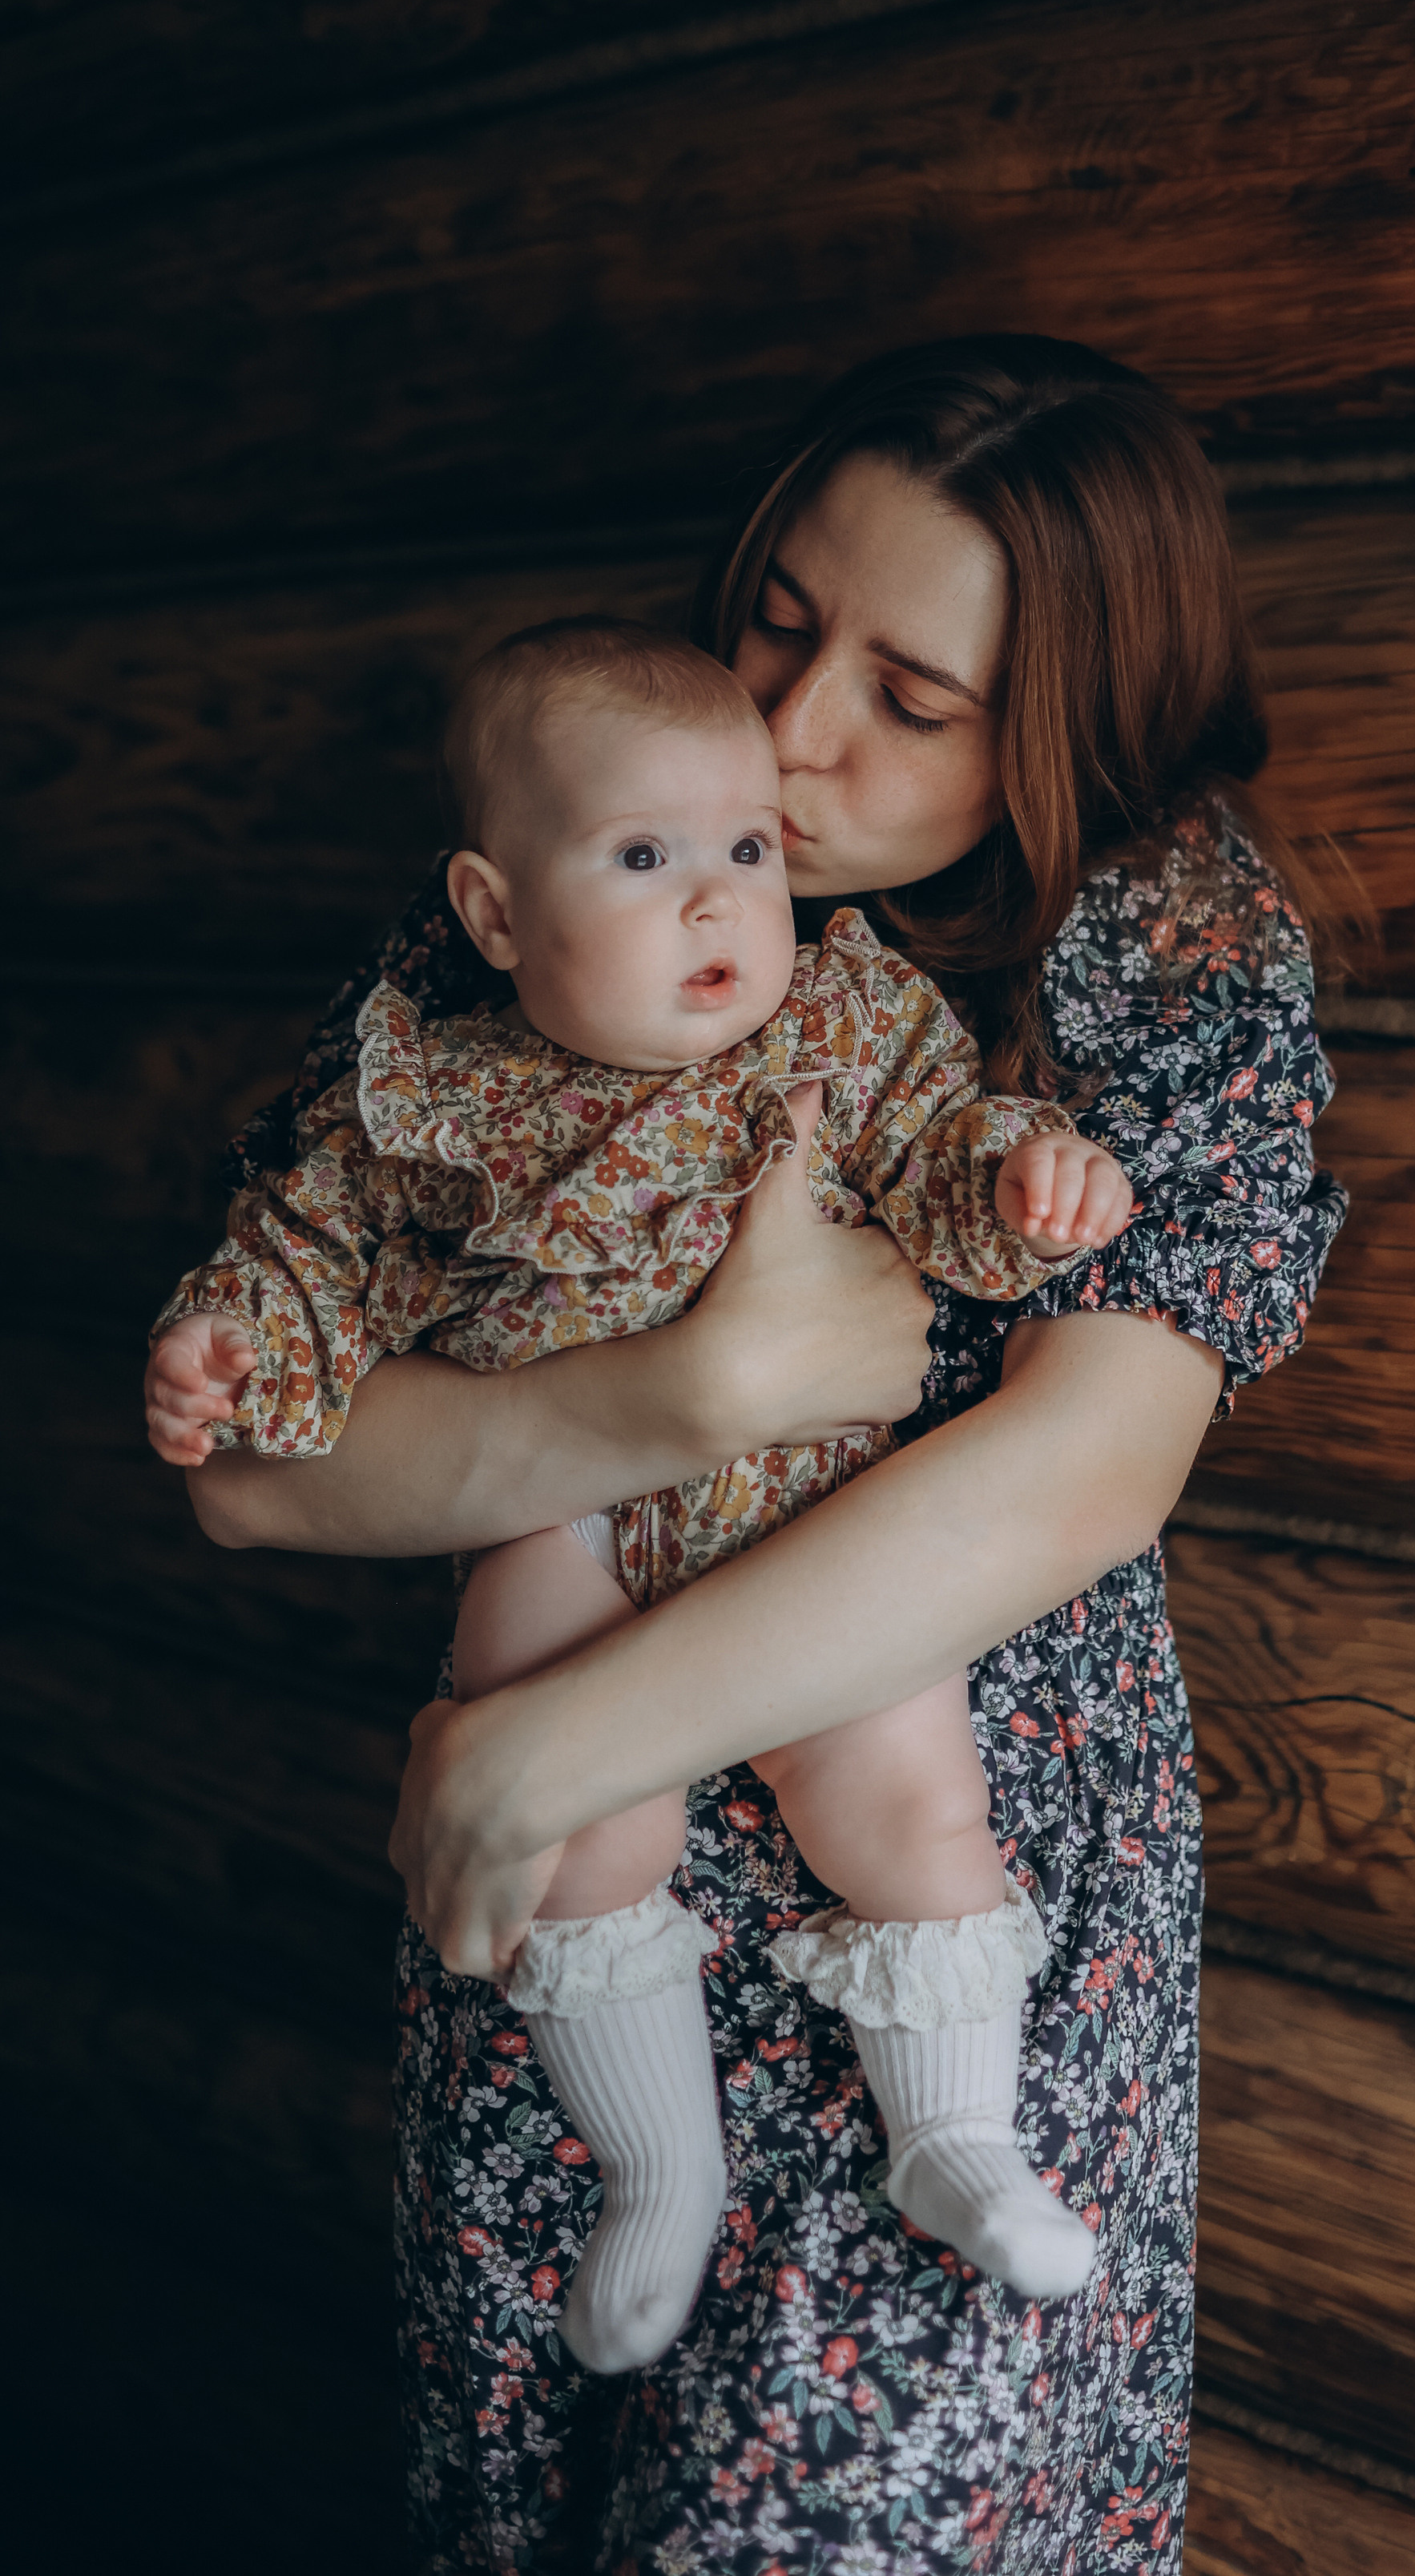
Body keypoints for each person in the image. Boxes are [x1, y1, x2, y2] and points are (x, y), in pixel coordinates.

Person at [159, 336, 1348, 2574]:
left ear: (1064, 720)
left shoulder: (1163, 935)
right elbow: (258, 1467)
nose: (791, 735)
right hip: (574, 1914)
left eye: (909, 698)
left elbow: (1088, 1461)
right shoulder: (543, 890)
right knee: (548, 2498)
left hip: (952, 1880)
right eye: (781, 617)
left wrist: (539, 1746)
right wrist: (690, 1392)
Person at [147, 616, 1127, 2371]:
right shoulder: (431, 1085)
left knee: (908, 1798)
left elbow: (944, 1160)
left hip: (817, 1516)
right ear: (497, 913)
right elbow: (309, 1254)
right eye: (647, 858)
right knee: (576, 1829)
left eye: (745, 852)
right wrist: (231, 1333)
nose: (715, 904)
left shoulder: (846, 1017)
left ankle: (957, 2136)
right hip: (564, 1518)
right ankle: (657, 2174)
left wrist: (1030, 1173)